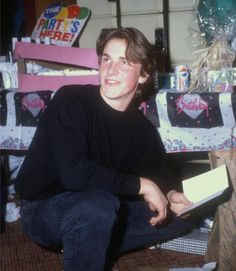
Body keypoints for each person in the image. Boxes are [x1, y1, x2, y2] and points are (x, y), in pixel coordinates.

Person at [15, 27, 195, 271]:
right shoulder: (71, 100)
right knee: (98, 206)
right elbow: (76, 175)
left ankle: (87, 242)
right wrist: (144, 185)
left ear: (144, 75)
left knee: (184, 215)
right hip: (44, 208)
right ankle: (87, 240)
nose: (111, 70)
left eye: (124, 62)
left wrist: (172, 194)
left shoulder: (141, 128)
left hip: (99, 206)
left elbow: (159, 173)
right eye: (106, 59)